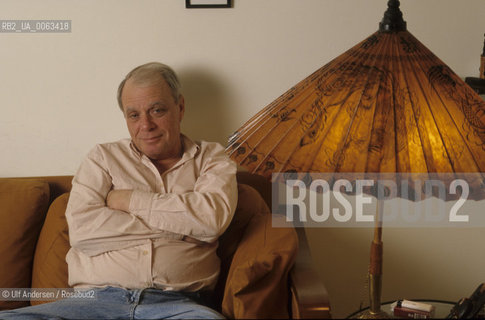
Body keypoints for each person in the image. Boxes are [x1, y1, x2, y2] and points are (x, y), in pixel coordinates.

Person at [0, 62, 238, 319]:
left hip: (179, 305)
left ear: (180, 108)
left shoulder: (212, 158)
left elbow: (211, 220)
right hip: (91, 304)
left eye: (157, 110)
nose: (145, 125)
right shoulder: (102, 158)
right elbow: (82, 231)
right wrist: (183, 228)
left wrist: (129, 200)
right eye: (133, 115)